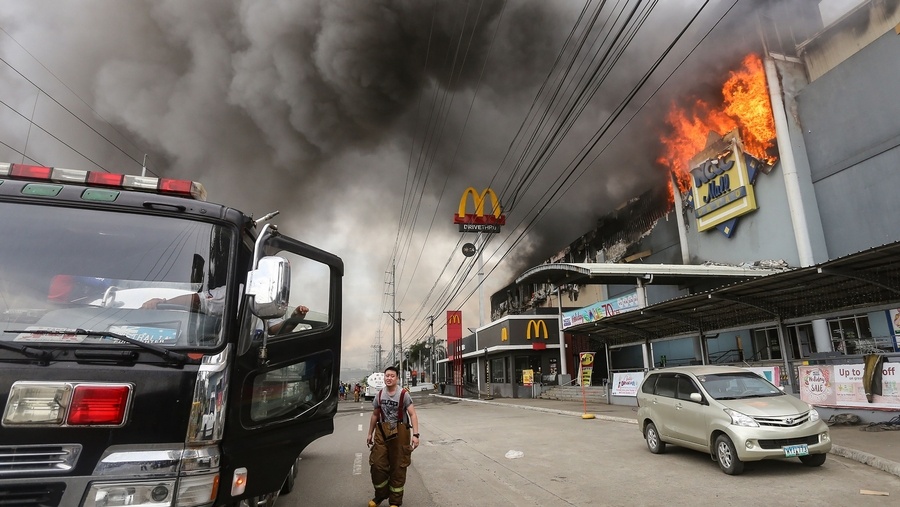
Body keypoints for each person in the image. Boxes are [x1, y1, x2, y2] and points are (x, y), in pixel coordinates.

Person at [141, 288, 307, 334]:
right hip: (218, 346)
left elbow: (273, 329)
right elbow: (199, 300)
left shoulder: (270, 302)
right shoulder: (237, 291)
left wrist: (295, 318)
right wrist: (164, 303)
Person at [367, 366, 419, 507]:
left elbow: (413, 414)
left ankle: (395, 501)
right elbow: (375, 415)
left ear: (397, 378)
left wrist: (416, 435)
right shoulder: (379, 395)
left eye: (392, 376)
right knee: (377, 464)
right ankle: (381, 494)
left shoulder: (404, 394)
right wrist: (370, 433)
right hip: (382, 431)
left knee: (398, 466)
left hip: (400, 431)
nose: (389, 378)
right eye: (387, 375)